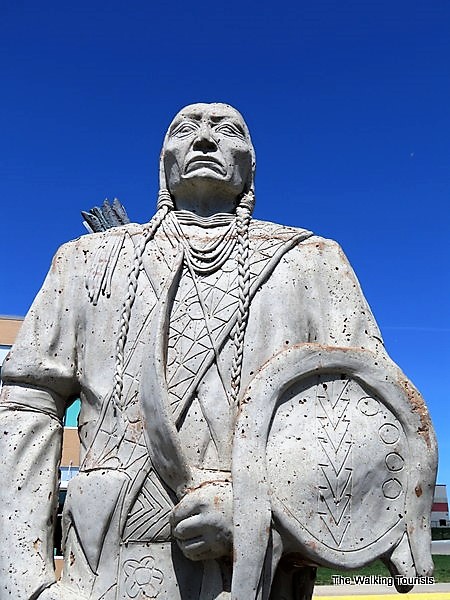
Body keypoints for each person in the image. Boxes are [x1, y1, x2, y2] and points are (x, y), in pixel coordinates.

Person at [0, 103, 436, 600]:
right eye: (185, 130)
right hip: (104, 564)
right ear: (163, 162)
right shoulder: (86, 262)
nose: (205, 140)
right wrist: (23, 580)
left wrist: (258, 509)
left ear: (249, 165)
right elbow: (24, 405)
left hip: (262, 576)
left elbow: (375, 422)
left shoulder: (314, 263)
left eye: (227, 130)